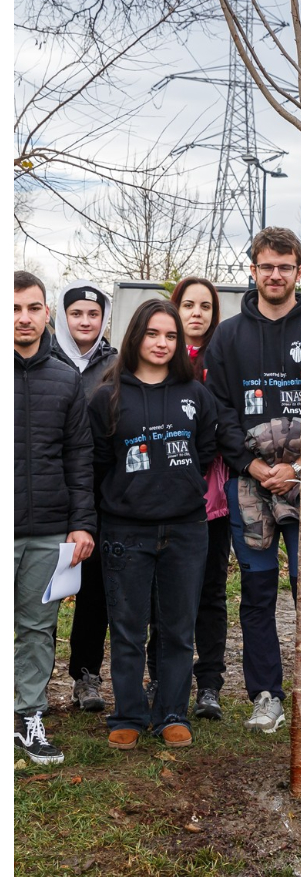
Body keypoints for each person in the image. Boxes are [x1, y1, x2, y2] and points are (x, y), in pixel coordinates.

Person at [200, 227, 301, 738]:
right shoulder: (228, 336)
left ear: (300, 271)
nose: (275, 275)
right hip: (252, 486)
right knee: (258, 593)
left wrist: (300, 464)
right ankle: (265, 694)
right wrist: (252, 465)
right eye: (266, 266)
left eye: (285, 267)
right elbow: (218, 410)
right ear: (252, 269)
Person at [89, 300, 228, 750]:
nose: (162, 343)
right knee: (128, 626)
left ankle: (171, 711)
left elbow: (205, 451)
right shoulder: (108, 396)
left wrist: (177, 486)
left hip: (186, 529)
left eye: (170, 336)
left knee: (177, 627)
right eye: (153, 334)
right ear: (136, 337)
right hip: (125, 531)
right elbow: (100, 462)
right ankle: (127, 712)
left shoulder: (196, 395)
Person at [14, 272, 95, 765]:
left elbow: (79, 458)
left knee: (36, 628)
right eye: (14, 308)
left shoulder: (66, 380)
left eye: (32, 308)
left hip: (47, 532)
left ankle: (28, 717)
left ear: (48, 315)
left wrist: (82, 523)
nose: (23, 318)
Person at [166, 277, 235, 719]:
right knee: (167, 595)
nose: (196, 313)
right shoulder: (158, 360)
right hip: (165, 497)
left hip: (214, 498)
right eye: (188, 304)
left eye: (205, 306)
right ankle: (163, 678)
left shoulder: (222, 360)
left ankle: (208, 683)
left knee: (211, 593)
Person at [53, 282, 116, 714]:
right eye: (76, 313)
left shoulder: (115, 365)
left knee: (93, 587)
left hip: (95, 488)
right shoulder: (41, 357)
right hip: (42, 485)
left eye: (93, 315)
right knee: (36, 585)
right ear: (62, 316)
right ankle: (26, 679)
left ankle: (85, 676)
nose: (85, 322)